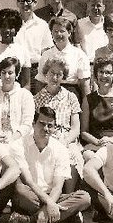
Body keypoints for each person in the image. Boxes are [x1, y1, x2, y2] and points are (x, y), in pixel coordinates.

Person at [6, 107, 91, 223]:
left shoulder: (60, 149)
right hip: (31, 196)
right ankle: (66, 216)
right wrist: (50, 204)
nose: (46, 129)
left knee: (84, 198)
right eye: (42, 124)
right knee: (20, 191)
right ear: (33, 124)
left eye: (50, 125)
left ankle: (30, 220)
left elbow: (57, 187)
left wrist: (47, 207)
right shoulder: (18, 145)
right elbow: (29, 181)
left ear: (54, 128)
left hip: (53, 196)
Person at [33, 57, 83, 192]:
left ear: (63, 77)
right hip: (46, 136)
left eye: (59, 74)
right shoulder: (37, 99)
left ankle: (68, 195)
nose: (55, 77)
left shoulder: (71, 97)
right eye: (52, 73)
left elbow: (76, 128)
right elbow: (36, 126)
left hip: (67, 139)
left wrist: (65, 141)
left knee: (71, 155)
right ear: (46, 74)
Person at [36, 17, 91, 101]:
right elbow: (40, 81)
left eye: (62, 31)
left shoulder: (79, 55)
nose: (58, 34)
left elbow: (85, 86)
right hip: (48, 97)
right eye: (55, 31)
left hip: (71, 97)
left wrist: (87, 106)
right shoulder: (46, 55)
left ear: (69, 33)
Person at [0, 57, 35, 144]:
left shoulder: (25, 95)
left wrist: (12, 138)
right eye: (3, 72)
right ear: (0, 74)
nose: (6, 76)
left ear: (17, 74)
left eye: (10, 73)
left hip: (21, 140)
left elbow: (27, 124)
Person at [0, 8, 30, 94]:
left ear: (16, 29)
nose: (7, 30)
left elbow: (26, 84)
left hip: (15, 93)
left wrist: (22, 97)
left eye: (11, 27)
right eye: (3, 26)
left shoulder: (23, 51)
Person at [14, 0, 53, 93]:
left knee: (35, 101)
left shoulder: (42, 25)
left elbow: (47, 52)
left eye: (28, 1)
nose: (25, 4)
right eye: (22, 1)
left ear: (35, 3)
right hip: (14, 70)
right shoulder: (11, 24)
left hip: (35, 72)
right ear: (17, 3)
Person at [75, 0, 108, 66]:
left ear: (104, 7)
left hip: (104, 66)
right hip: (86, 65)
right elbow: (77, 44)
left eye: (98, 5)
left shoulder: (108, 23)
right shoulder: (80, 24)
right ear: (88, 7)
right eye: (93, 5)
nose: (95, 8)